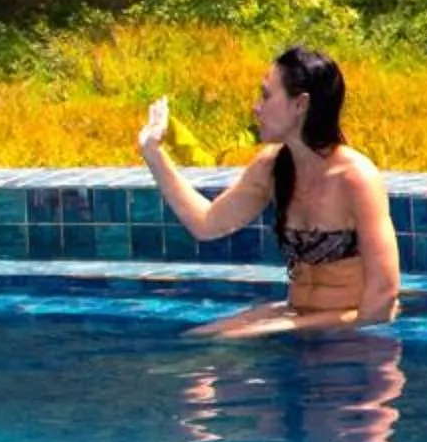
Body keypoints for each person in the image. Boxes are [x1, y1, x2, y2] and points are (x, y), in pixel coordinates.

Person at [137, 45, 402, 338]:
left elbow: (383, 300)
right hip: (297, 314)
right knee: (195, 339)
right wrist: (153, 153)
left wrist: (281, 327)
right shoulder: (272, 167)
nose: (256, 107)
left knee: (227, 342)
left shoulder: (356, 179)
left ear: (300, 104)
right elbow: (206, 224)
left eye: (266, 95)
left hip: (353, 331)